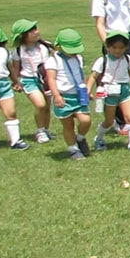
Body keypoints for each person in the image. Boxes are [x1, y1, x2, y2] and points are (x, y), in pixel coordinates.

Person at [86, 31, 130, 152]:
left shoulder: (128, 59)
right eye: (114, 47)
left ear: (126, 48)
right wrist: (88, 90)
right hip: (109, 92)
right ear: (107, 47)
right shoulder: (103, 61)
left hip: (124, 91)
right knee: (109, 121)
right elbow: (93, 76)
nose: (117, 51)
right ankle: (99, 138)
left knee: (129, 118)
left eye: (121, 48)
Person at [43, 27, 92, 160]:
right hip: (63, 96)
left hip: (78, 95)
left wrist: (86, 90)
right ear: (59, 46)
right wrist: (57, 96)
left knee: (86, 120)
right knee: (68, 125)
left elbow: (80, 75)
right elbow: (51, 79)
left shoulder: (78, 58)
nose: (74, 53)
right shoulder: (53, 60)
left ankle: (80, 138)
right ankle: (73, 149)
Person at [8, 19, 54, 144]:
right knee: (40, 105)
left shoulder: (45, 46)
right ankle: (40, 131)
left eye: (36, 29)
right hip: (28, 79)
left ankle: (46, 129)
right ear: (23, 36)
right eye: (31, 31)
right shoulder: (18, 51)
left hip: (45, 80)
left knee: (47, 107)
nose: (36, 32)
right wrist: (16, 82)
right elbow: (16, 68)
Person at [0, 21, 28, 149]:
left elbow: (9, 68)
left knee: (11, 112)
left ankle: (15, 141)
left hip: (3, 84)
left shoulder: (3, 51)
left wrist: (16, 81)